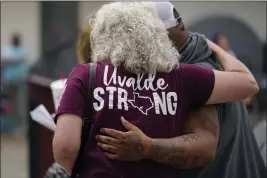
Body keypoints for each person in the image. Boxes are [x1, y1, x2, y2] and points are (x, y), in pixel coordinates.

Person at [52, 2, 258, 178]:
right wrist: (216, 49)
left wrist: (84, 170)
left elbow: (65, 148)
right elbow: (247, 84)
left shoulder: (85, 74)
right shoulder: (182, 76)